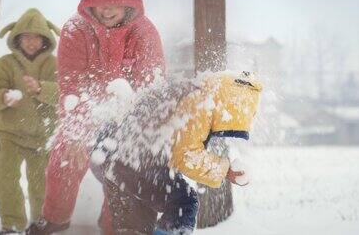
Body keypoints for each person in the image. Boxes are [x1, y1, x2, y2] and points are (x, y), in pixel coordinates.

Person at [30, 0, 166, 235]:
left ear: (130, 2)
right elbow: (71, 85)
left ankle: (114, 224)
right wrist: (78, 130)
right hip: (85, 108)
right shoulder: (74, 30)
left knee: (126, 162)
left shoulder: (145, 33)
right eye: (102, 3)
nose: (106, 10)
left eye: (114, 3)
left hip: (127, 113)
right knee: (65, 154)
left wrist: (135, 128)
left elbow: (151, 86)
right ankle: (56, 218)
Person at [90, 72, 263, 234]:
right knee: (184, 203)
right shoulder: (201, 102)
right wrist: (225, 170)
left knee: (136, 228)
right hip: (134, 162)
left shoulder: (196, 90)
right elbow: (186, 156)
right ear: (236, 105)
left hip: (115, 159)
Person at [0, 8, 60, 234]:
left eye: (36, 37)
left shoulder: (54, 65)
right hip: (10, 135)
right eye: (26, 37)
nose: (31, 42)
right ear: (17, 38)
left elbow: (66, 94)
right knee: (5, 180)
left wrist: (42, 88)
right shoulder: (5, 64)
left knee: (41, 184)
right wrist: (2, 97)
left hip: (43, 137)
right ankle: (12, 225)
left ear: (45, 39)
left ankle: (40, 223)